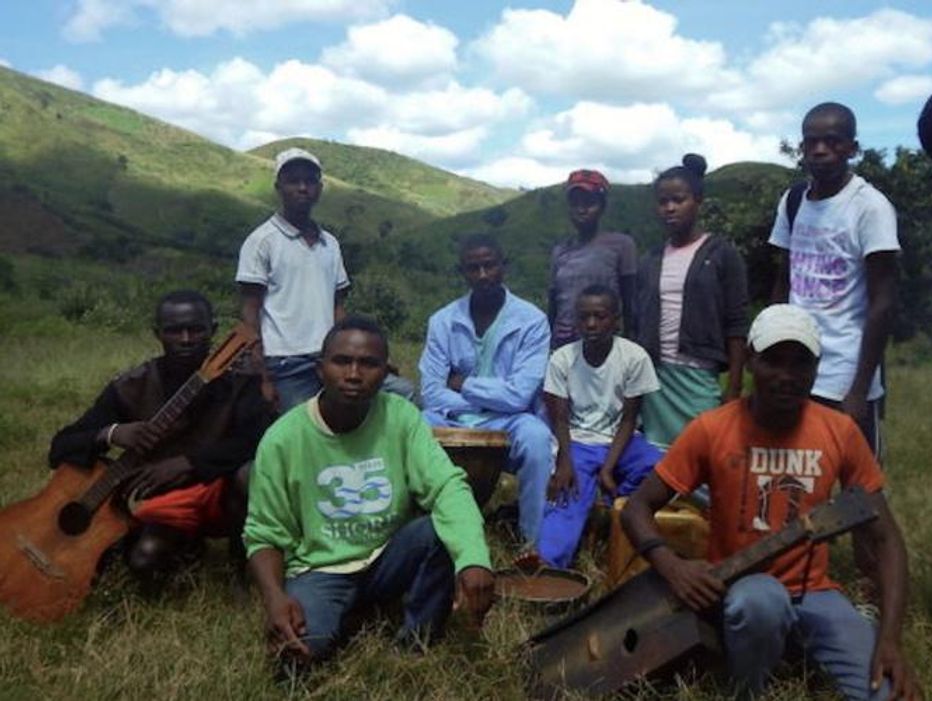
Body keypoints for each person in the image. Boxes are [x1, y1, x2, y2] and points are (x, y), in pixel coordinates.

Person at [622, 305, 920, 701]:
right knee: (761, 603)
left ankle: (797, 646)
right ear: (748, 360)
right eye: (773, 361)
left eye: (801, 363)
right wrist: (671, 566)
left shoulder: (840, 432)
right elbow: (637, 507)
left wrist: (890, 642)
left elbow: (886, 541)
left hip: (817, 593)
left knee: (887, 694)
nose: (787, 376)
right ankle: (747, 688)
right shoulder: (712, 429)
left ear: (816, 368)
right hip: (742, 589)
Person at [244, 317, 493, 664]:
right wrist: (273, 598)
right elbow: (264, 534)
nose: (354, 374)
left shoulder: (402, 417)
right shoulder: (283, 438)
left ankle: (415, 644)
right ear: (320, 369)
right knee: (295, 657)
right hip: (320, 570)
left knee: (441, 528)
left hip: (386, 557)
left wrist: (474, 559)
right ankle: (337, 614)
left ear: (385, 372)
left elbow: (447, 486)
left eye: (369, 364)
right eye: (342, 361)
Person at [48, 290, 270, 583]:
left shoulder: (239, 382)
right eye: (175, 331)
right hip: (164, 504)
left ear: (213, 331)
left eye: (196, 329)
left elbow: (257, 440)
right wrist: (112, 433)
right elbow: (61, 448)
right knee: (144, 562)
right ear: (158, 334)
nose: (187, 339)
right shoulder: (130, 386)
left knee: (249, 474)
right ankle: (185, 550)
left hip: (221, 493)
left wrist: (189, 462)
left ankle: (240, 571)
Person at [768, 102, 899, 456]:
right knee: (793, 476)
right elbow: (783, 280)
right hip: (794, 371)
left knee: (857, 493)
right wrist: (770, 355)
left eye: (832, 141)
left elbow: (883, 300)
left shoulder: (869, 207)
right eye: (811, 142)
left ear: (852, 148)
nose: (820, 150)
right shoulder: (793, 200)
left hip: (843, 374)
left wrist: (857, 390)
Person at [419, 234, 554, 549]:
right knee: (418, 426)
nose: (482, 275)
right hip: (452, 417)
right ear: (462, 272)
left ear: (503, 266)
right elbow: (430, 392)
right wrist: (491, 396)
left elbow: (520, 395)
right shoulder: (443, 321)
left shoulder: (531, 321)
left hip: (509, 420)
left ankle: (533, 544)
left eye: (489, 266)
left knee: (536, 438)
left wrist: (464, 383)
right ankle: (427, 536)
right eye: (473, 268)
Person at [538, 284, 663, 568]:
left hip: (621, 440)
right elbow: (559, 417)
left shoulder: (634, 357)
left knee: (657, 467)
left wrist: (608, 468)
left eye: (600, 316)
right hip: (577, 441)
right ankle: (550, 566)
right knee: (566, 497)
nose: (591, 324)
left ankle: (615, 513)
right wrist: (565, 461)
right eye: (584, 317)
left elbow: (629, 418)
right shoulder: (562, 358)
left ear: (616, 320)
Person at [635, 153, 748, 449]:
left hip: (698, 378)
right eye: (662, 202)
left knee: (704, 454)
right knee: (655, 460)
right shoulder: (650, 259)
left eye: (678, 199)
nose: (670, 208)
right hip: (655, 379)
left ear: (697, 200)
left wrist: (734, 388)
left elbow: (737, 325)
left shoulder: (721, 254)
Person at [236, 147, 349, 414]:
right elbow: (249, 312)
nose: (302, 188)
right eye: (293, 181)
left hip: (330, 359)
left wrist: (351, 353)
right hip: (285, 364)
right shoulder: (262, 241)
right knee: (302, 434)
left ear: (319, 189)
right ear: (279, 187)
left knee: (398, 394)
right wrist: (263, 376)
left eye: (309, 181)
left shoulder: (329, 243)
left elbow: (338, 307)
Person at [547, 169, 638, 348]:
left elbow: (630, 302)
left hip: (605, 343)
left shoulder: (622, 245)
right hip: (564, 343)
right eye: (575, 203)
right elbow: (553, 305)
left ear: (602, 206)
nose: (581, 210)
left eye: (589, 203)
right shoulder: (559, 251)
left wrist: (630, 344)